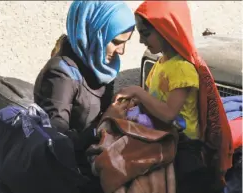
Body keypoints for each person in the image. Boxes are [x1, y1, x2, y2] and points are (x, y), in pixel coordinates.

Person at [113, 1, 233, 193]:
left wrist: (138, 92)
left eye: (145, 33)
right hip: (163, 141)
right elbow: (155, 100)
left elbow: (169, 113)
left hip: (182, 151)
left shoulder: (182, 69)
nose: (142, 41)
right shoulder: (162, 63)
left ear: (166, 29)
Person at [34, 1, 135, 192]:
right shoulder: (61, 74)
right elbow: (55, 144)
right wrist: (106, 121)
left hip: (95, 158)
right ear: (94, 31)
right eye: (116, 42)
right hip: (71, 174)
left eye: (125, 43)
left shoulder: (99, 67)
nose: (121, 51)